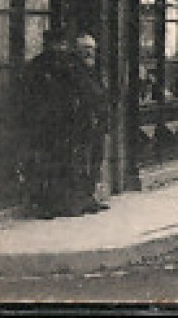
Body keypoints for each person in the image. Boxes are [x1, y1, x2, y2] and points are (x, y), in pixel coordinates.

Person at [17, 29, 76, 218]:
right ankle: (44, 204)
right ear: (47, 45)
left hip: (63, 123)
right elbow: (29, 97)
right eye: (56, 44)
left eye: (62, 45)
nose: (60, 48)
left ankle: (60, 202)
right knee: (44, 165)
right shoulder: (37, 67)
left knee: (62, 163)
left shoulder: (67, 66)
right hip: (43, 124)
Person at [68, 34, 110, 213]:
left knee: (94, 161)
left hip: (96, 123)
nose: (89, 52)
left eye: (92, 48)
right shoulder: (73, 70)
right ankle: (79, 199)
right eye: (85, 48)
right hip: (80, 123)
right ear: (77, 50)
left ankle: (89, 196)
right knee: (80, 161)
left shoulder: (94, 70)